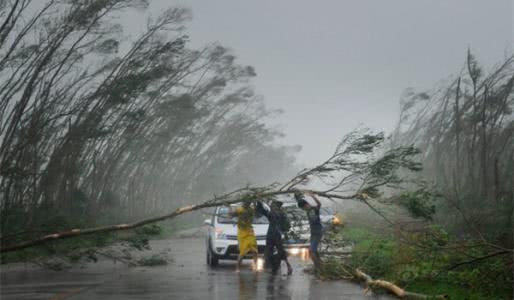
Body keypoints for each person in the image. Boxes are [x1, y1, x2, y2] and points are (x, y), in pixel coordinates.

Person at [256, 200, 293, 275]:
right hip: (270, 235)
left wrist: (283, 232)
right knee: (269, 252)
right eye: (272, 205)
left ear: (277, 206)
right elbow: (262, 211)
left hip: (277, 235)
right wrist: (258, 202)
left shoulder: (281, 214)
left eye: (273, 205)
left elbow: (287, 226)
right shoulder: (271, 213)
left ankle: (287, 266)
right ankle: (274, 268)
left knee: (280, 252)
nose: (272, 206)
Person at [294, 190, 322, 274]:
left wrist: (313, 196)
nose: (304, 209)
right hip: (313, 232)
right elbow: (300, 201)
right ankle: (319, 265)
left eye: (304, 207)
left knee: (311, 251)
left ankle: (318, 269)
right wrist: (297, 197)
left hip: (318, 232)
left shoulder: (314, 209)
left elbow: (319, 204)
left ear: (307, 205)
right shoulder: (308, 211)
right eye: (302, 208)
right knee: (314, 251)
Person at [230, 201, 259, 272]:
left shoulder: (250, 210)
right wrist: (230, 208)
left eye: (248, 202)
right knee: (242, 252)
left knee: (255, 251)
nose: (247, 204)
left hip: (250, 232)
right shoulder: (240, 210)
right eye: (246, 202)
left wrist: (256, 200)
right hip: (242, 233)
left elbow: (256, 210)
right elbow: (231, 215)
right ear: (244, 203)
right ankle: (237, 268)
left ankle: (255, 267)